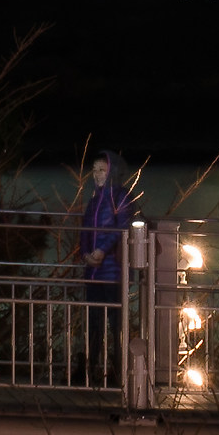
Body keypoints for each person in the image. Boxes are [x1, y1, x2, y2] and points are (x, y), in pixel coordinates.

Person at [78, 151, 136, 388]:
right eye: (94, 170)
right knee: (93, 323)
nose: (97, 175)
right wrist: (85, 254)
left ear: (112, 171)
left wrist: (101, 250)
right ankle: (88, 372)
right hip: (94, 273)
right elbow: (85, 232)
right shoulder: (94, 200)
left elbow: (122, 228)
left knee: (116, 326)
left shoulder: (121, 197)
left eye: (102, 170)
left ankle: (119, 373)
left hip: (114, 273)